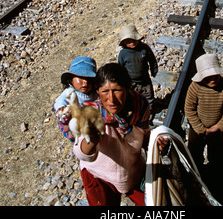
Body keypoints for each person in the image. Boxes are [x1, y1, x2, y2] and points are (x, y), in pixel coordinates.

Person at [73, 62, 167, 206]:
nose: (111, 99)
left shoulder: (140, 105)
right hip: (99, 175)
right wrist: (91, 140)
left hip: (131, 171)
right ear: (97, 91)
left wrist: (155, 141)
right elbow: (81, 152)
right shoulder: (91, 113)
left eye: (117, 90)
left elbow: (144, 133)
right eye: (105, 91)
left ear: (128, 88)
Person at [184, 53, 223, 172]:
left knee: (216, 155)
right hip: (197, 130)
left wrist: (219, 126)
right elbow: (189, 109)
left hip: (216, 130)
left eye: (215, 75)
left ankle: (214, 173)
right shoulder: (195, 87)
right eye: (208, 77)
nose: (212, 79)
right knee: (194, 153)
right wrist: (200, 128)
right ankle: (195, 174)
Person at [54, 56, 98, 142]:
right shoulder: (70, 92)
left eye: (89, 79)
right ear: (71, 80)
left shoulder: (95, 94)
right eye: (81, 78)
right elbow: (60, 100)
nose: (85, 82)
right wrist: (61, 108)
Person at [117, 23, 158, 115]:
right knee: (131, 98)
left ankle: (149, 112)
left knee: (149, 96)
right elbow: (120, 68)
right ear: (124, 42)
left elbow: (152, 60)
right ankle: (136, 113)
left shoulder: (144, 49)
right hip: (131, 82)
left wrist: (154, 70)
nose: (131, 43)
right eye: (128, 41)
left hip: (145, 79)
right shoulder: (123, 54)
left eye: (133, 39)